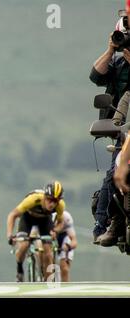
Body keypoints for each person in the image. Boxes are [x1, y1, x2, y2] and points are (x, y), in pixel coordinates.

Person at [89, 18, 130, 244]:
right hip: (124, 131)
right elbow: (95, 75)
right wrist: (111, 49)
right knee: (112, 175)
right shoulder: (117, 63)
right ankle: (106, 224)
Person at [6, 181, 65, 282]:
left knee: (48, 252)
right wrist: (10, 235)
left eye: (56, 201)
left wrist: (55, 231)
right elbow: (12, 215)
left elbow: (60, 223)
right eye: (50, 200)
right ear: (44, 197)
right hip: (27, 218)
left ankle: (47, 282)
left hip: (45, 221)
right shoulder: (33, 199)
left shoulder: (60, 206)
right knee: (24, 245)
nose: (52, 204)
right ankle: (19, 268)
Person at [53, 211, 77, 282]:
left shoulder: (66, 216)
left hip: (64, 237)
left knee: (64, 269)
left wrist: (68, 247)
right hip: (50, 237)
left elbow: (74, 241)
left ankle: (65, 288)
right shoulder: (49, 217)